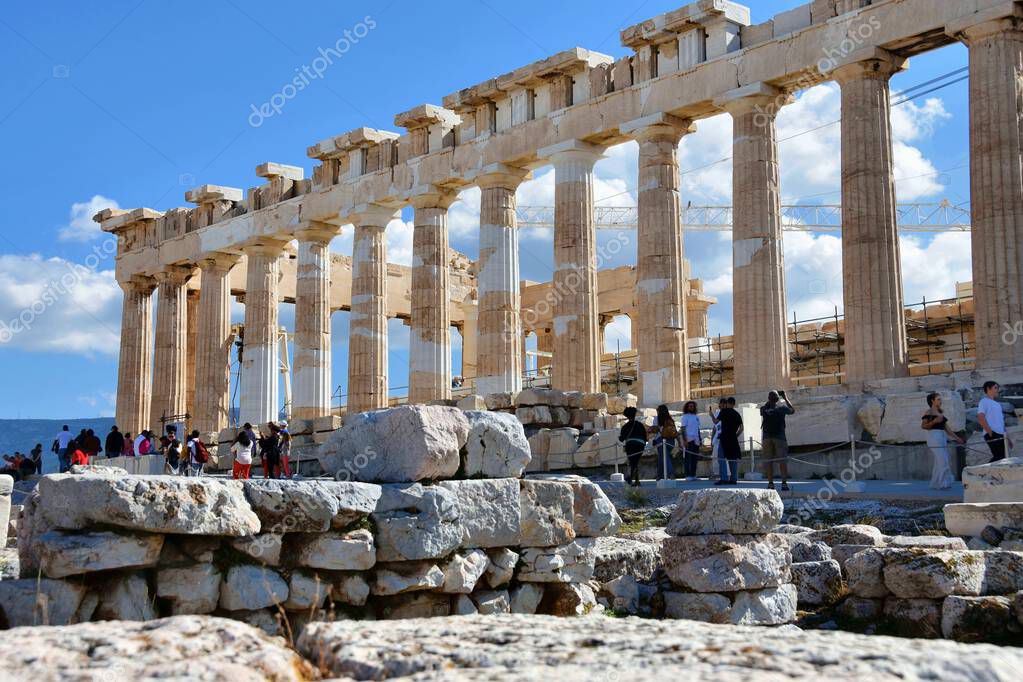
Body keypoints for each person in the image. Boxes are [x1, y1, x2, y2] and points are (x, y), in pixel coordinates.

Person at [922, 392, 963, 490]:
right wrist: (934, 422)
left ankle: (936, 483)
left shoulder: (940, 413)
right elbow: (923, 426)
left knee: (940, 461)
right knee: (943, 459)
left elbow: (947, 429)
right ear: (932, 401)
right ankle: (943, 482)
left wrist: (957, 438)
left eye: (940, 399)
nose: (941, 401)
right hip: (933, 437)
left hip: (942, 437)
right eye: (938, 399)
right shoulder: (929, 412)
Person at [761, 390, 796, 491]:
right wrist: (785, 398)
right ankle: (784, 483)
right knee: (782, 461)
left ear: (768, 399)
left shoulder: (763, 409)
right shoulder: (782, 408)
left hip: (767, 437)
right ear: (777, 399)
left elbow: (766, 406)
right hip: (779, 437)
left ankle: (770, 484)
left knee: (768, 462)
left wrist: (771, 399)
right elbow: (792, 410)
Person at [978, 381, 1012, 463]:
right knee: (999, 456)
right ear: (988, 389)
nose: (997, 390)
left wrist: (1008, 438)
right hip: (992, 433)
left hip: (1001, 435)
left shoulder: (997, 405)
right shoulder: (984, 401)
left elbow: (1001, 422)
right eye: (995, 388)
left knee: (1003, 457)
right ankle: (984, 472)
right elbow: (980, 417)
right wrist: (990, 432)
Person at [618, 406, 648, 486]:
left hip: (630, 445)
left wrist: (620, 437)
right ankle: (635, 480)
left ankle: (631, 478)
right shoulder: (640, 425)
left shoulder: (625, 426)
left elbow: (622, 439)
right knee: (636, 462)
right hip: (640, 445)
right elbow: (645, 437)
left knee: (632, 462)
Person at [716, 398, 744, 484]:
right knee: (733, 459)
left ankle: (724, 478)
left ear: (728, 403)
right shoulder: (737, 414)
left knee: (721, 458)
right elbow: (741, 428)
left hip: (724, 438)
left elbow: (715, 422)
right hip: (733, 438)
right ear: (734, 404)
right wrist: (735, 435)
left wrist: (711, 415)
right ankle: (734, 479)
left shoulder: (724, 411)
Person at [649, 404, 679, 481]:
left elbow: (655, 430)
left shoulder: (657, 418)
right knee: (661, 458)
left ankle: (671, 473)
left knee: (665, 458)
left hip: (661, 440)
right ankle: (660, 476)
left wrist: (651, 429)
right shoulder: (670, 419)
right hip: (671, 441)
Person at [680, 401, 701, 481]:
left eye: (692, 406)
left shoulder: (696, 417)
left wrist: (700, 439)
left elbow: (697, 429)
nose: (691, 407)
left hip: (696, 440)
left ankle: (693, 474)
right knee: (688, 458)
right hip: (688, 439)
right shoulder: (684, 417)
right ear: (687, 407)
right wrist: (685, 440)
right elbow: (683, 429)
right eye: (690, 406)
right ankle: (688, 475)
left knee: (695, 458)